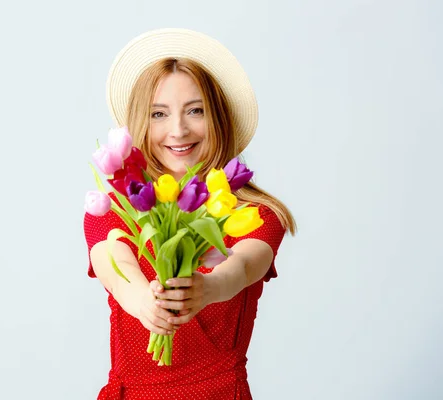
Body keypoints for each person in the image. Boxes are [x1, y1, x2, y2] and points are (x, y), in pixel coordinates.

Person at [84, 28, 297, 400]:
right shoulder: (118, 208)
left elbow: (244, 267)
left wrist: (208, 288)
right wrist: (144, 303)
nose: (178, 130)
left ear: (218, 117)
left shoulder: (257, 214)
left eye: (195, 111)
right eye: (158, 114)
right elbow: (116, 268)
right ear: (139, 123)